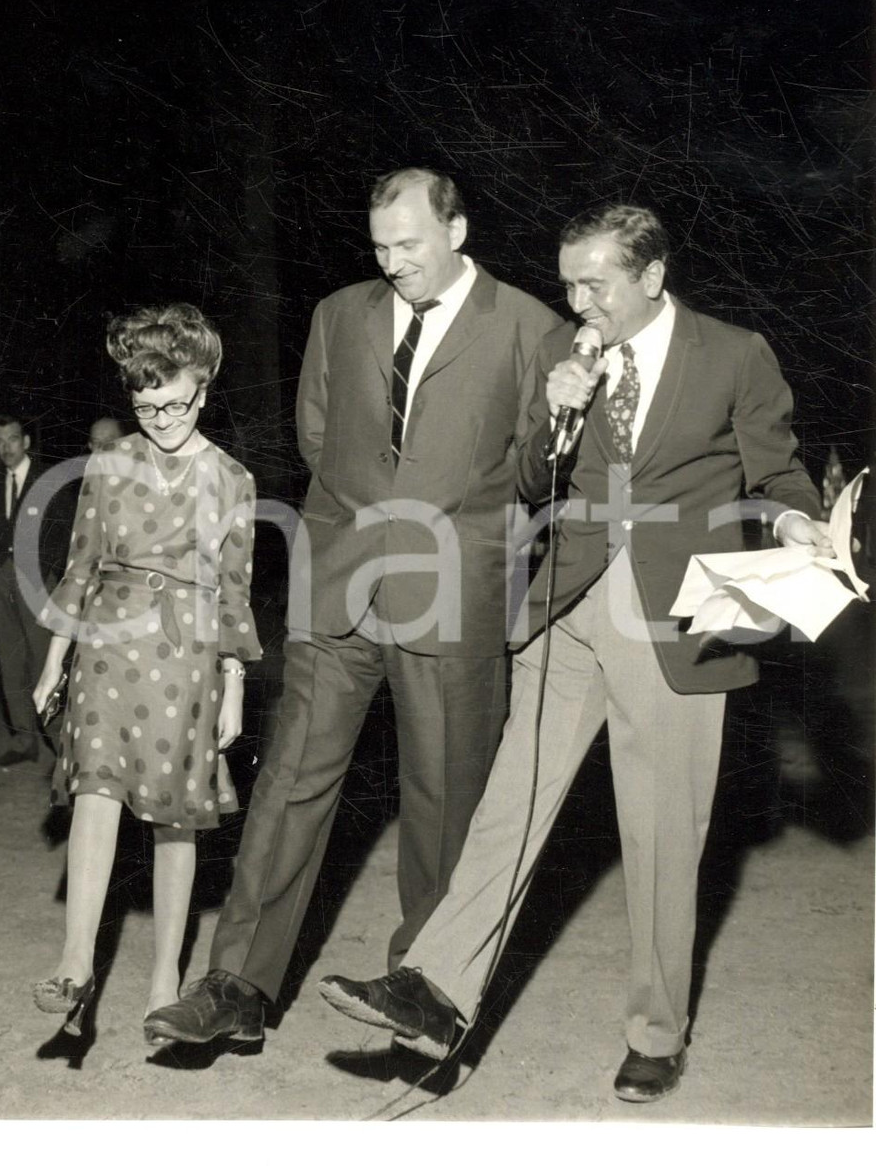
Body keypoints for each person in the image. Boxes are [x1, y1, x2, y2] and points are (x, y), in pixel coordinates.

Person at [318, 204, 833, 1103]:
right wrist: (554, 417)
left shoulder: (733, 353)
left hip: (677, 614)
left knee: (662, 834)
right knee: (507, 805)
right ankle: (435, 990)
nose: (578, 300)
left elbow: (777, 473)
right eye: (567, 282)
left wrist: (796, 523)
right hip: (569, 604)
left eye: (597, 283)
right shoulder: (565, 348)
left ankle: (657, 1033)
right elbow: (524, 480)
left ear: (652, 276)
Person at [142, 167, 561, 1047]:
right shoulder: (341, 314)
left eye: (409, 244)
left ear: (456, 230)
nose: (394, 261)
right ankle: (237, 987)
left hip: (453, 591)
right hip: (340, 586)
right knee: (289, 783)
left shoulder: (531, 328)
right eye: (380, 246)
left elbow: (535, 476)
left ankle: (427, 987)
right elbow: (319, 437)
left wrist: (560, 425)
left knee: (444, 798)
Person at [30, 303, 261, 1037]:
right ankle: (75, 964)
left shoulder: (232, 479)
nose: (161, 416)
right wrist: (53, 661)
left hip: (187, 655)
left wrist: (234, 688)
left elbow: (234, 593)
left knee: (173, 819)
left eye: (176, 401)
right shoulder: (110, 462)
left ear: (205, 386)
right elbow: (80, 567)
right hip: (107, 645)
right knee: (94, 795)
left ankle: (166, 977)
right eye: (144, 403)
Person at [0, 413, 73, 766]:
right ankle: (24, 741)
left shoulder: (47, 478)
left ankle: (58, 741)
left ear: (27, 441)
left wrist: (45, 573)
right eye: (0, 441)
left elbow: (62, 528)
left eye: (13, 439)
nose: (7, 448)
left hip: (36, 581)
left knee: (43, 659)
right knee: (10, 660)